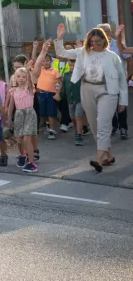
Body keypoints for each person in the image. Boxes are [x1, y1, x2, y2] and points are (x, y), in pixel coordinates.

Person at [54, 24, 127, 173]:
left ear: (104, 40)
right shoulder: (83, 52)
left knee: (103, 125)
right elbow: (61, 52)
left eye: (98, 41)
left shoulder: (113, 57)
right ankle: (110, 156)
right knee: (94, 125)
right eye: (92, 41)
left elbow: (121, 80)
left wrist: (123, 101)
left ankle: (99, 160)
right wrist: (60, 38)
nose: (94, 44)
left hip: (108, 91)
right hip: (87, 88)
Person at [6, 43, 50, 172]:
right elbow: (11, 106)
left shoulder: (29, 89)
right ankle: (23, 156)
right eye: (18, 76)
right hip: (19, 114)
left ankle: (31, 163)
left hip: (29, 113)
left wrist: (28, 69)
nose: (21, 79)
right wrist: (9, 118)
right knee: (19, 140)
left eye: (23, 77)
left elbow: (31, 78)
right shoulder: (14, 91)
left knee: (26, 138)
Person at [108, 23, 131, 140]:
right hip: (106, 82)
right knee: (109, 104)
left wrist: (128, 76)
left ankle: (123, 127)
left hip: (119, 81)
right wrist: (118, 37)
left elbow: (129, 59)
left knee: (121, 104)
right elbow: (123, 49)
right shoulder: (96, 47)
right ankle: (114, 126)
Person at [35, 48, 62, 140]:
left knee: (51, 113)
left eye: (47, 61)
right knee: (44, 113)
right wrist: (36, 48)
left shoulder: (55, 72)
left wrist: (58, 94)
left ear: (51, 61)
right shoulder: (40, 70)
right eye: (44, 61)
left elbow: (60, 83)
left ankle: (52, 130)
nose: (45, 62)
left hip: (52, 95)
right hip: (42, 94)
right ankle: (48, 126)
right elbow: (34, 59)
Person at [60, 56, 85, 146]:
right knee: (73, 117)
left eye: (73, 65)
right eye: (70, 65)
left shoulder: (81, 75)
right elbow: (63, 87)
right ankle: (78, 129)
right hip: (69, 100)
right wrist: (60, 95)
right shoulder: (66, 75)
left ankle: (79, 135)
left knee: (78, 116)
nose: (72, 67)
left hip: (79, 99)